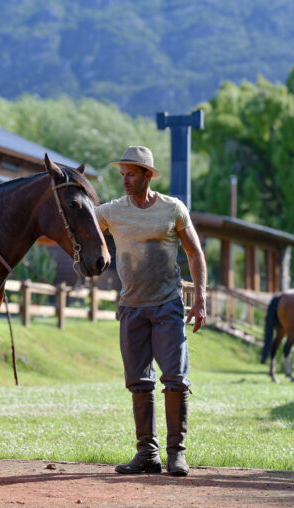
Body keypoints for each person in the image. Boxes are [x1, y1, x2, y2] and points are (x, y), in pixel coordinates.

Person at [95, 146, 207, 477]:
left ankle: (176, 454)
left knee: (175, 378)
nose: (124, 180)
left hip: (168, 306)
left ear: (147, 175)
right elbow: (78, 223)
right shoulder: (112, 211)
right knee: (138, 382)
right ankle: (147, 454)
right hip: (131, 308)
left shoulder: (172, 209)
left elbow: (195, 254)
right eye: (122, 174)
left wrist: (200, 300)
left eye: (131, 174)